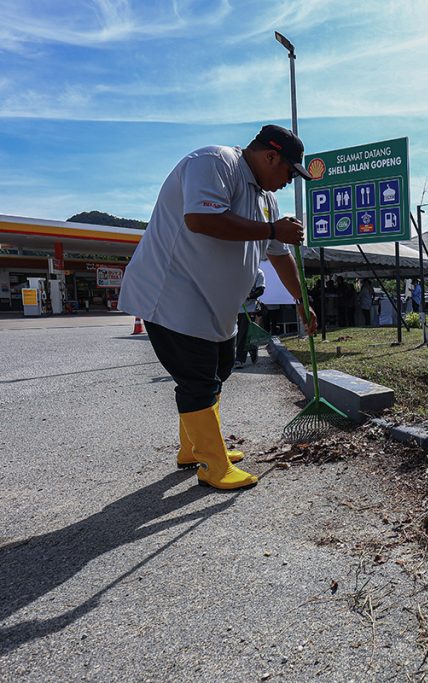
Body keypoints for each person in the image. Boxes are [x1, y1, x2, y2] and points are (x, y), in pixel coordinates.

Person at [118, 124, 315, 490]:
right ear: (270, 156)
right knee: (198, 380)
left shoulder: (265, 199)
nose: (289, 181)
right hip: (173, 296)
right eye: (289, 171)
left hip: (217, 308)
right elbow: (201, 219)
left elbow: (281, 256)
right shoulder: (215, 161)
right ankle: (213, 465)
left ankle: (193, 448)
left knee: (219, 370)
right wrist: (272, 230)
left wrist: (302, 300)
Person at [235, 268, 265, 368]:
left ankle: (239, 359)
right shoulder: (236, 271)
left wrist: (248, 296)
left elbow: (260, 290)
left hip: (249, 309)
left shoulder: (258, 272)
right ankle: (252, 347)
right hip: (234, 308)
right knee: (236, 334)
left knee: (242, 335)